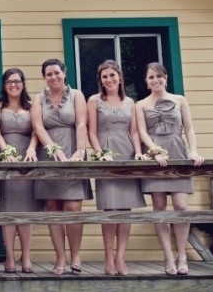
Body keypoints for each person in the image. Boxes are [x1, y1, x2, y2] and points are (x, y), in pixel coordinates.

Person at [135, 62, 204, 276]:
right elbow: (142, 132)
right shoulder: (141, 105)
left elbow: (189, 128)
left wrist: (193, 151)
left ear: (166, 78)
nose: (155, 80)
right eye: (151, 77)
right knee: (159, 206)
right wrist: (154, 149)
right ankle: (167, 256)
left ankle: (182, 255)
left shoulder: (179, 100)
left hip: (177, 151)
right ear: (146, 82)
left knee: (181, 206)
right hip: (155, 156)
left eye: (159, 76)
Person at [31, 58, 92, 276]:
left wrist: (81, 151)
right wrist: (52, 148)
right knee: (53, 208)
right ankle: (60, 257)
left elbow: (81, 123)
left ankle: (75, 255)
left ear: (64, 73)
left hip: (73, 152)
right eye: (49, 74)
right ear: (44, 77)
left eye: (57, 73)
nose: (53, 77)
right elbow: (38, 126)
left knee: (73, 207)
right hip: (49, 155)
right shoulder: (39, 98)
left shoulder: (76, 95)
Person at [87, 60, 146, 276]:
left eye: (112, 75)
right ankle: (108, 255)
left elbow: (135, 132)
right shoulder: (94, 101)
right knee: (110, 207)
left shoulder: (130, 102)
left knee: (125, 208)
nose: (109, 80)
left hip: (127, 153)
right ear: (100, 80)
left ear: (119, 77)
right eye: (105, 77)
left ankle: (121, 256)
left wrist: (138, 152)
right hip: (106, 154)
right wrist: (100, 152)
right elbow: (91, 131)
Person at [0, 68, 40, 274]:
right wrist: (5, 151)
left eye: (17, 81)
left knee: (25, 211)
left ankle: (27, 255)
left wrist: (31, 148)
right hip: (6, 160)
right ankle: (10, 257)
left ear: (23, 83)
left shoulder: (32, 107)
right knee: (8, 211)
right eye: (9, 82)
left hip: (26, 159)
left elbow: (37, 130)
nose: (13, 85)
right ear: (4, 86)